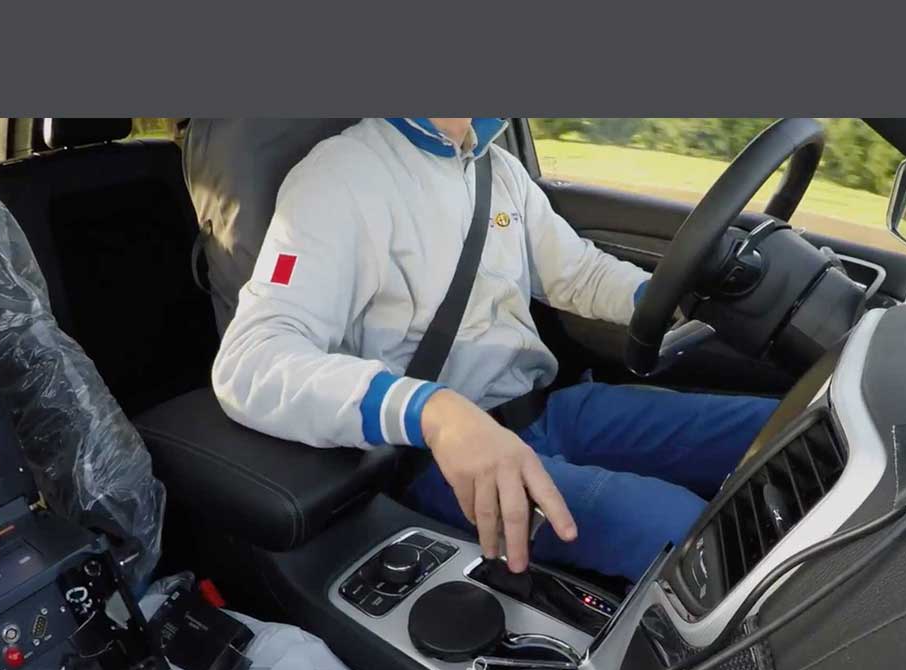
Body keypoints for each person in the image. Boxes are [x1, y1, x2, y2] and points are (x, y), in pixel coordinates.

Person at [210, 117, 777, 581]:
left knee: (779, 430)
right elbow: (252, 358)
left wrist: (666, 298)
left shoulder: (497, 170)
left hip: (549, 411)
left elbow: (574, 271)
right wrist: (437, 412)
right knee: (684, 531)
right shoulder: (340, 177)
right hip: (443, 460)